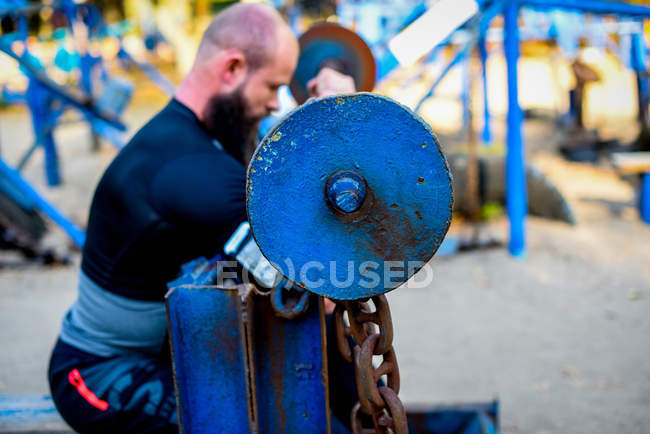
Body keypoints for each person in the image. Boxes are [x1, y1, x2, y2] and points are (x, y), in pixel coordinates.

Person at [47, 4, 355, 433]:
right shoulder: (189, 169)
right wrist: (341, 114)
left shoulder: (198, 140)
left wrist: (327, 117)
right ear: (232, 68)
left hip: (163, 354)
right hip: (98, 375)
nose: (272, 105)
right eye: (272, 87)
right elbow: (316, 288)